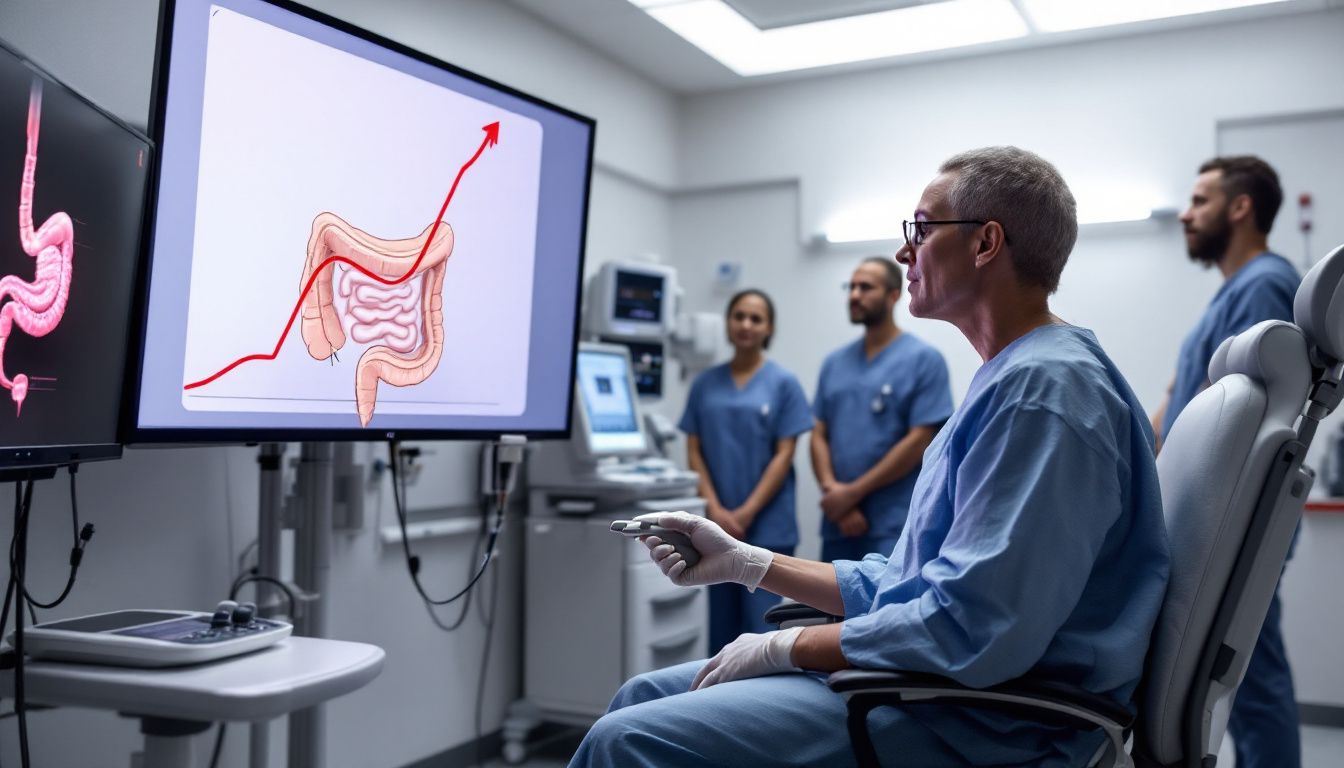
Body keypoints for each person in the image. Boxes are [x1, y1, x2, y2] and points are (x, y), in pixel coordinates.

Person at [568, 147, 1170, 767]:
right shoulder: (1015, 377)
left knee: (626, 741)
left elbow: (969, 626)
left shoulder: (1044, 393)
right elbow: (912, 583)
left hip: (984, 719)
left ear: (986, 243)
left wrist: (788, 647)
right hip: (934, 685)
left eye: (922, 229)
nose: (905, 252)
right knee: (641, 694)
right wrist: (747, 562)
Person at [1152, 155, 1301, 768]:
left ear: (1241, 207)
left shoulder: (1264, 283)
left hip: (1235, 520)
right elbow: (1188, 392)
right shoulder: (1236, 291)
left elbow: (1242, 414)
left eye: (1200, 201)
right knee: (1234, 674)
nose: (1186, 215)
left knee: (1245, 676)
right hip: (1218, 517)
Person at [679, 289, 812, 654]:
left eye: (756, 318)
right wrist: (715, 510)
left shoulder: (783, 383)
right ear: (727, 323)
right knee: (719, 633)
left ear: (769, 328)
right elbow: (694, 449)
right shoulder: (704, 384)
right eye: (739, 316)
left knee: (760, 635)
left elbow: (785, 454)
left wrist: (747, 512)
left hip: (767, 527)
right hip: (712, 525)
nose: (746, 325)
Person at [811, 257, 952, 562]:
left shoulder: (924, 360)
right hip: (838, 521)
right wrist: (834, 493)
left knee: (886, 592)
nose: (854, 295)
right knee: (828, 593)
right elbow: (818, 433)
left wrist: (852, 494)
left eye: (866, 287)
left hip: (892, 521)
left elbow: (920, 440)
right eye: (851, 287)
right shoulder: (834, 363)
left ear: (894, 295)